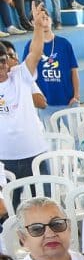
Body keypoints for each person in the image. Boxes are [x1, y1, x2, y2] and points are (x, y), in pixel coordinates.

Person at [0, 31, 47, 181]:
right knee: (8, 204)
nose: (1, 67)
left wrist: (38, 26)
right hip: (3, 159)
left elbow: (36, 53)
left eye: (2, 60)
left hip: (34, 153)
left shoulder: (21, 75)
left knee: (43, 201)